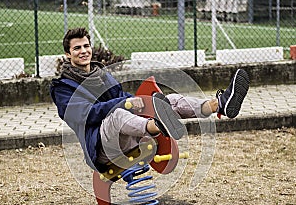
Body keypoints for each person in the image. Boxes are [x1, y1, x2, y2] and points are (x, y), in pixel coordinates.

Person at [50, 27, 250, 173]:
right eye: (77, 48)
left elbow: (122, 97)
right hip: (101, 148)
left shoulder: (101, 74)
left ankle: (218, 104)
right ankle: (158, 124)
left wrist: (139, 101)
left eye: (86, 46)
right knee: (118, 114)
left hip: (128, 136)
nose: (83, 51)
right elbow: (84, 115)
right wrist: (123, 104)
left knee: (167, 100)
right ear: (68, 54)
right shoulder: (63, 87)